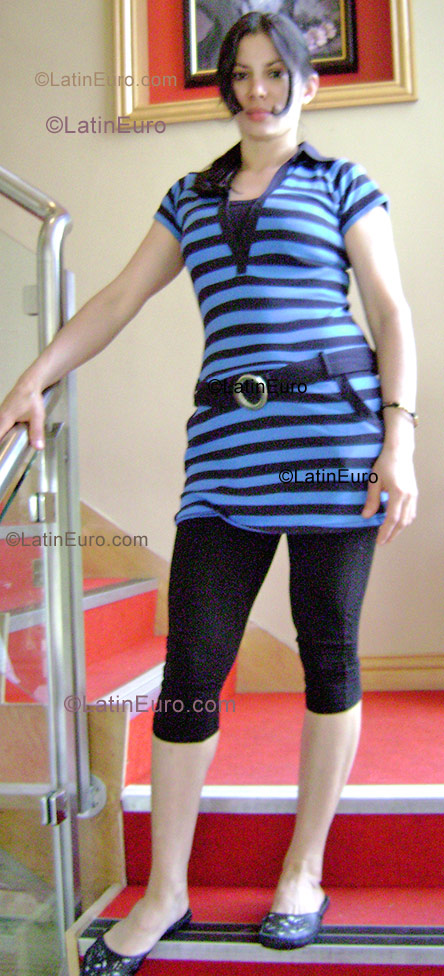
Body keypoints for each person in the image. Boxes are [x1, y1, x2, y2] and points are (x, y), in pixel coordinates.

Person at [0, 11, 418, 973]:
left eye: (278, 73)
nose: (260, 91)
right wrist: (34, 377)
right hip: (227, 455)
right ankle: (167, 890)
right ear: (225, 87)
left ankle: (303, 869)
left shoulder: (342, 183)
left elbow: (390, 311)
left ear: (308, 83)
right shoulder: (189, 196)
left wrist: (399, 440)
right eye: (243, 75)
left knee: (329, 654)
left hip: (335, 442)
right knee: (192, 669)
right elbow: (117, 298)